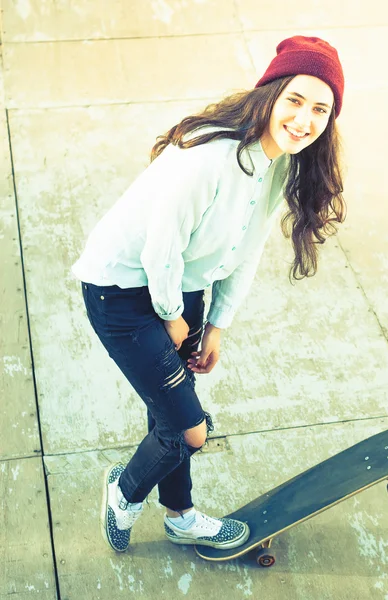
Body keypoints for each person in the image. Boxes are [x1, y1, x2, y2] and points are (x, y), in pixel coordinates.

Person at [72, 35, 346, 553]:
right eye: (294, 100)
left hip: (185, 285)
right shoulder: (212, 158)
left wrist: (217, 324)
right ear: (269, 94)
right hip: (122, 292)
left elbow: (247, 248)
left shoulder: (279, 162)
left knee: (170, 416)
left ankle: (180, 516)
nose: (304, 120)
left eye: (320, 109)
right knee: (190, 428)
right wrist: (172, 314)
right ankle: (123, 492)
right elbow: (162, 246)